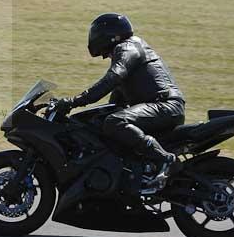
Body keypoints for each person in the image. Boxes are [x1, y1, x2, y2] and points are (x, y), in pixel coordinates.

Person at [54, 13, 184, 180]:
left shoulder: (127, 48)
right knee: (106, 122)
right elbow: (116, 99)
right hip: (162, 106)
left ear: (107, 35)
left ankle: (167, 160)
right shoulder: (129, 51)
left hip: (164, 106)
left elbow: (112, 78)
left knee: (116, 121)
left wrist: (74, 101)